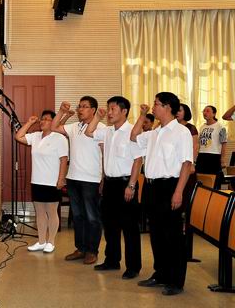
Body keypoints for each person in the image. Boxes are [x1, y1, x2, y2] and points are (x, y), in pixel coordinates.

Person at [131, 92, 193, 296]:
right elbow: (133, 136)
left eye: (156, 104)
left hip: (170, 187)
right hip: (152, 187)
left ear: (167, 107)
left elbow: (186, 163)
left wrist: (178, 192)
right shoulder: (155, 132)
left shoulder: (181, 132)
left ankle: (176, 280)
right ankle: (161, 274)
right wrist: (142, 115)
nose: (153, 107)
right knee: (156, 234)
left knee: (172, 235)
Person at [85, 96, 143, 279]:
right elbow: (89, 131)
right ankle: (112, 260)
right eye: (108, 109)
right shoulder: (107, 131)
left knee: (129, 227)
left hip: (126, 184)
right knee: (110, 225)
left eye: (113, 109)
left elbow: (138, 160)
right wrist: (98, 116)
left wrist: (131, 185)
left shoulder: (133, 131)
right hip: (109, 183)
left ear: (124, 111)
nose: (109, 113)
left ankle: (133, 266)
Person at [52, 96, 105, 265]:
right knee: (78, 216)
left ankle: (92, 251)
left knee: (92, 217)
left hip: (91, 179)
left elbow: (105, 155)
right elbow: (54, 127)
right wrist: (61, 111)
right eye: (79, 106)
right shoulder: (74, 126)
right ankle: (80, 248)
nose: (80, 109)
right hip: (73, 178)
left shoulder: (101, 128)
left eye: (85, 106)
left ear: (93, 110)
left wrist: (103, 178)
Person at [15, 110, 68, 254]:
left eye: (47, 119)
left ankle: (51, 242)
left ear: (54, 122)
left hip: (52, 181)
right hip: (37, 180)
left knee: (51, 212)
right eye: (42, 119)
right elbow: (18, 136)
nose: (42, 121)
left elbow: (64, 159)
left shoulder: (59, 138)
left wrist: (61, 179)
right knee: (39, 213)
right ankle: (41, 241)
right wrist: (29, 122)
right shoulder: (36, 136)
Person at [176, 103, 199, 262]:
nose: (177, 112)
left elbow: (195, 147)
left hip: (187, 169)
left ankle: (185, 230)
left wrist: (192, 163)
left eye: (180, 110)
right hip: (174, 169)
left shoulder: (190, 128)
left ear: (186, 113)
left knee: (185, 202)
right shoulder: (171, 127)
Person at [196, 105, 228, 185]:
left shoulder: (220, 126)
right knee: (201, 180)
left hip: (214, 156)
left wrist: (223, 159)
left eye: (207, 111)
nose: (205, 113)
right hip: (202, 156)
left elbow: (224, 143)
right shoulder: (202, 127)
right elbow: (199, 143)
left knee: (213, 180)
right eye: (204, 111)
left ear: (214, 114)